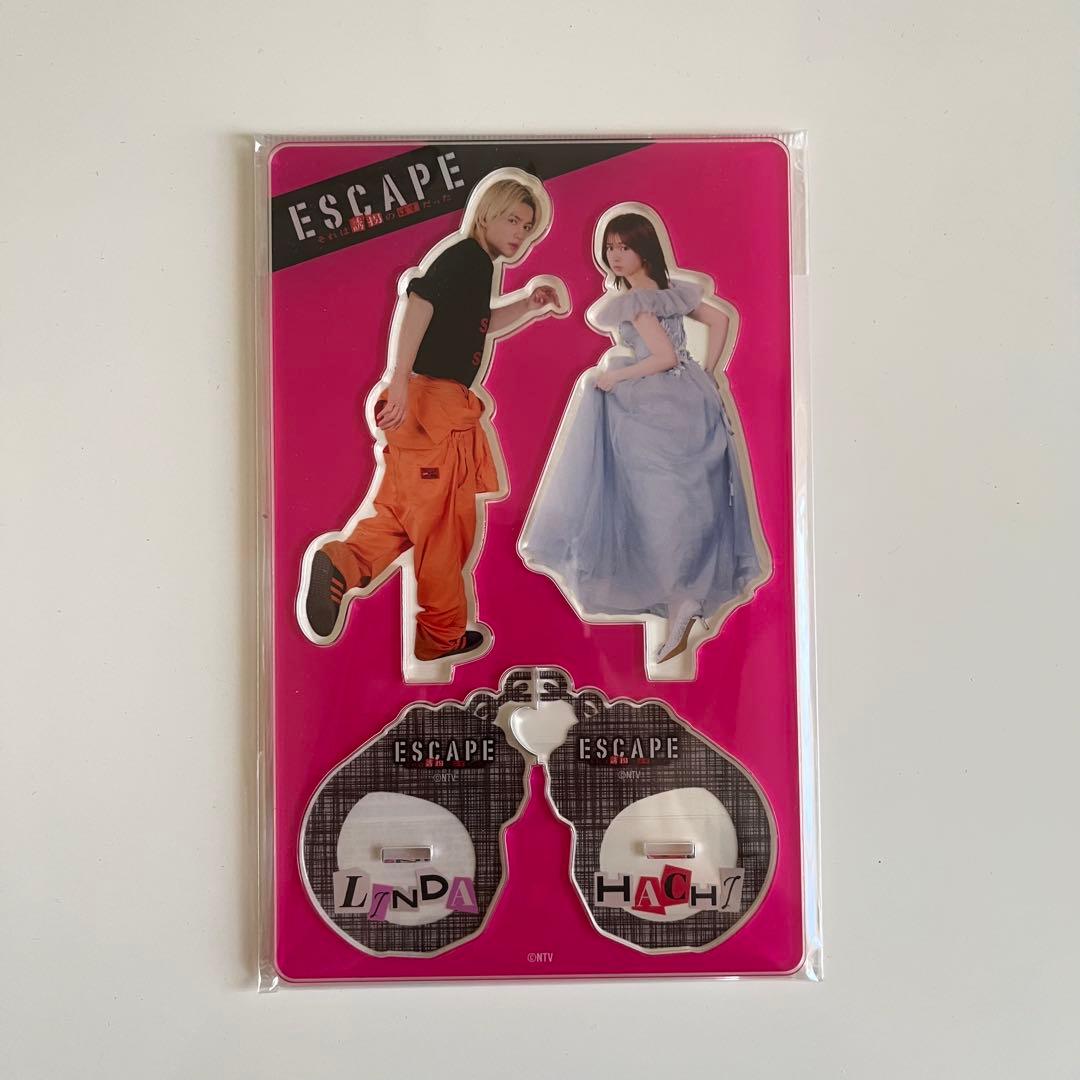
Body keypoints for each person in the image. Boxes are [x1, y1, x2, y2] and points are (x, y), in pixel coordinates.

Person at [305, 173, 563, 662]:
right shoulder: (467, 258)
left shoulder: (476, 266)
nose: (521, 234)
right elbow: (419, 303)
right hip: (435, 408)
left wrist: (527, 306)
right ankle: (441, 636)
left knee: (402, 514)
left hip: (424, 410)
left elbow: (477, 326)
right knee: (444, 527)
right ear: (486, 213)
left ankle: (342, 563)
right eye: (513, 220)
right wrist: (400, 379)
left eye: (528, 227)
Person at [520, 210, 768, 665]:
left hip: (653, 405)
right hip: (690, 398)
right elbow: (718, 321)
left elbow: (663, 355)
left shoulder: (636, 299)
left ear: (644, 250)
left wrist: (615, 377)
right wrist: (709, 374)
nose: (615, 255)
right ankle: (682, 599)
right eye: (610, 247)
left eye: (624, 247)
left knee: (654, 509)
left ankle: (679, 598)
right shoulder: (671, 292)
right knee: (684, 506)